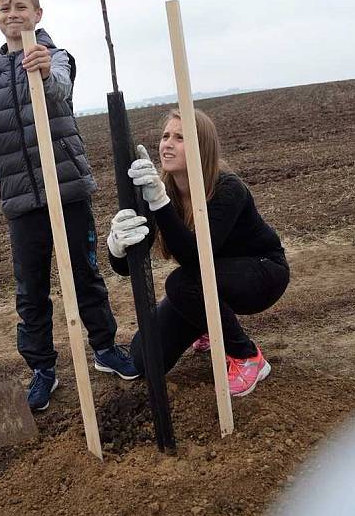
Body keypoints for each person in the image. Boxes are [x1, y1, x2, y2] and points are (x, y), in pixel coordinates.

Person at [0, 0, 138, 412]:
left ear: (38, 15)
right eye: (4, 8)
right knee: (30, 289)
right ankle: (42, 369)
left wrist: (41, 69)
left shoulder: (56, 58)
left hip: (67, 189)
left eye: (21, 7)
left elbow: (59, 90)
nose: (12, 13)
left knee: (84, 275)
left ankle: (105, 349)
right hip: (21, 202)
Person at [106, 108, 289, 397]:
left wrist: (159, 202)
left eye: (180, 137)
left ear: (202, 147)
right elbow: (127, 267)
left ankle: (246, 356)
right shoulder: (162, 190)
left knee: (182, 282)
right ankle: (206, 321)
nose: (168, 143)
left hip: (263, 272)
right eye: (166, 135)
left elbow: (194, 256)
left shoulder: (227, 188)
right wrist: (116, 245)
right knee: (145, 358)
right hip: (207, 280)